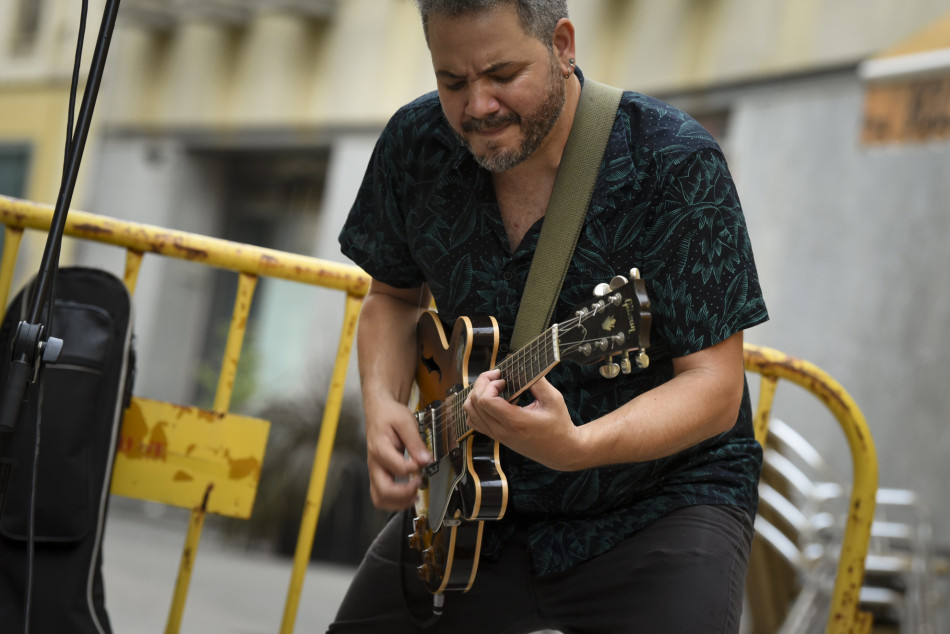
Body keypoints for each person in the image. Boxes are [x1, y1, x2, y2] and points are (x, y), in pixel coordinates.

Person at [332, 0, 768, 632]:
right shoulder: (415, 144)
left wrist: (580, 447)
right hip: (469, 504)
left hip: (656, 506)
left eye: (503, 75)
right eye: (452, 81)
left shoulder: (673, 163)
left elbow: (715, 387)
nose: (477, 106)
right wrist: (383, 407)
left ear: (563, 45)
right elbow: (393, 298)